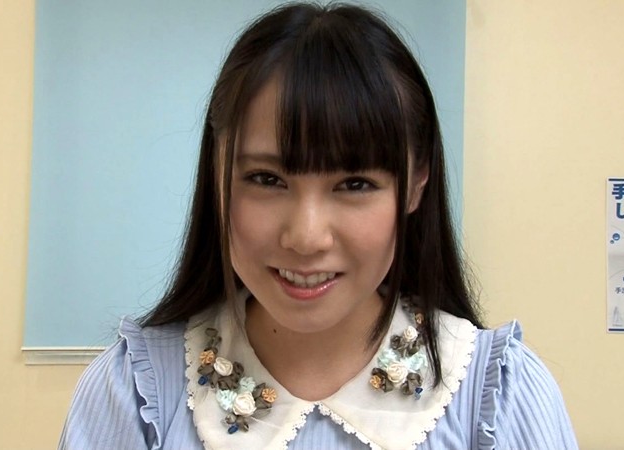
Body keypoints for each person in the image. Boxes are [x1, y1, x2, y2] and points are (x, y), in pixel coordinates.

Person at [59, 3, 578, 449]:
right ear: (217, 175)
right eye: (267, 179)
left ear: (416, 184)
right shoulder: (134, 394)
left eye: (354, 184)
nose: (307, 238)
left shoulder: (499, 396)